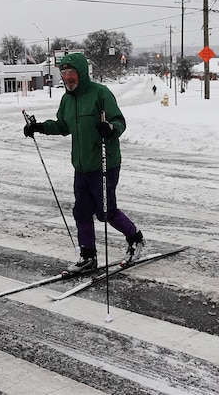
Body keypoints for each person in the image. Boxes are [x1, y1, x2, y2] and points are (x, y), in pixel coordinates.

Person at [23, 52, 144, 272]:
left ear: (81, 73)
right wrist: (39, 127)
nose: (67, 77)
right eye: (64, 72)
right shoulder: (67, 99)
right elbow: (62, 126)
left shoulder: (100, 93)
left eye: (71, 72)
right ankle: (88, 256)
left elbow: (119, 121)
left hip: (104, 163)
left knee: (106, 212)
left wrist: (110, 128)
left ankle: (135, 238)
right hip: (81, 166)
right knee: (81, 212)